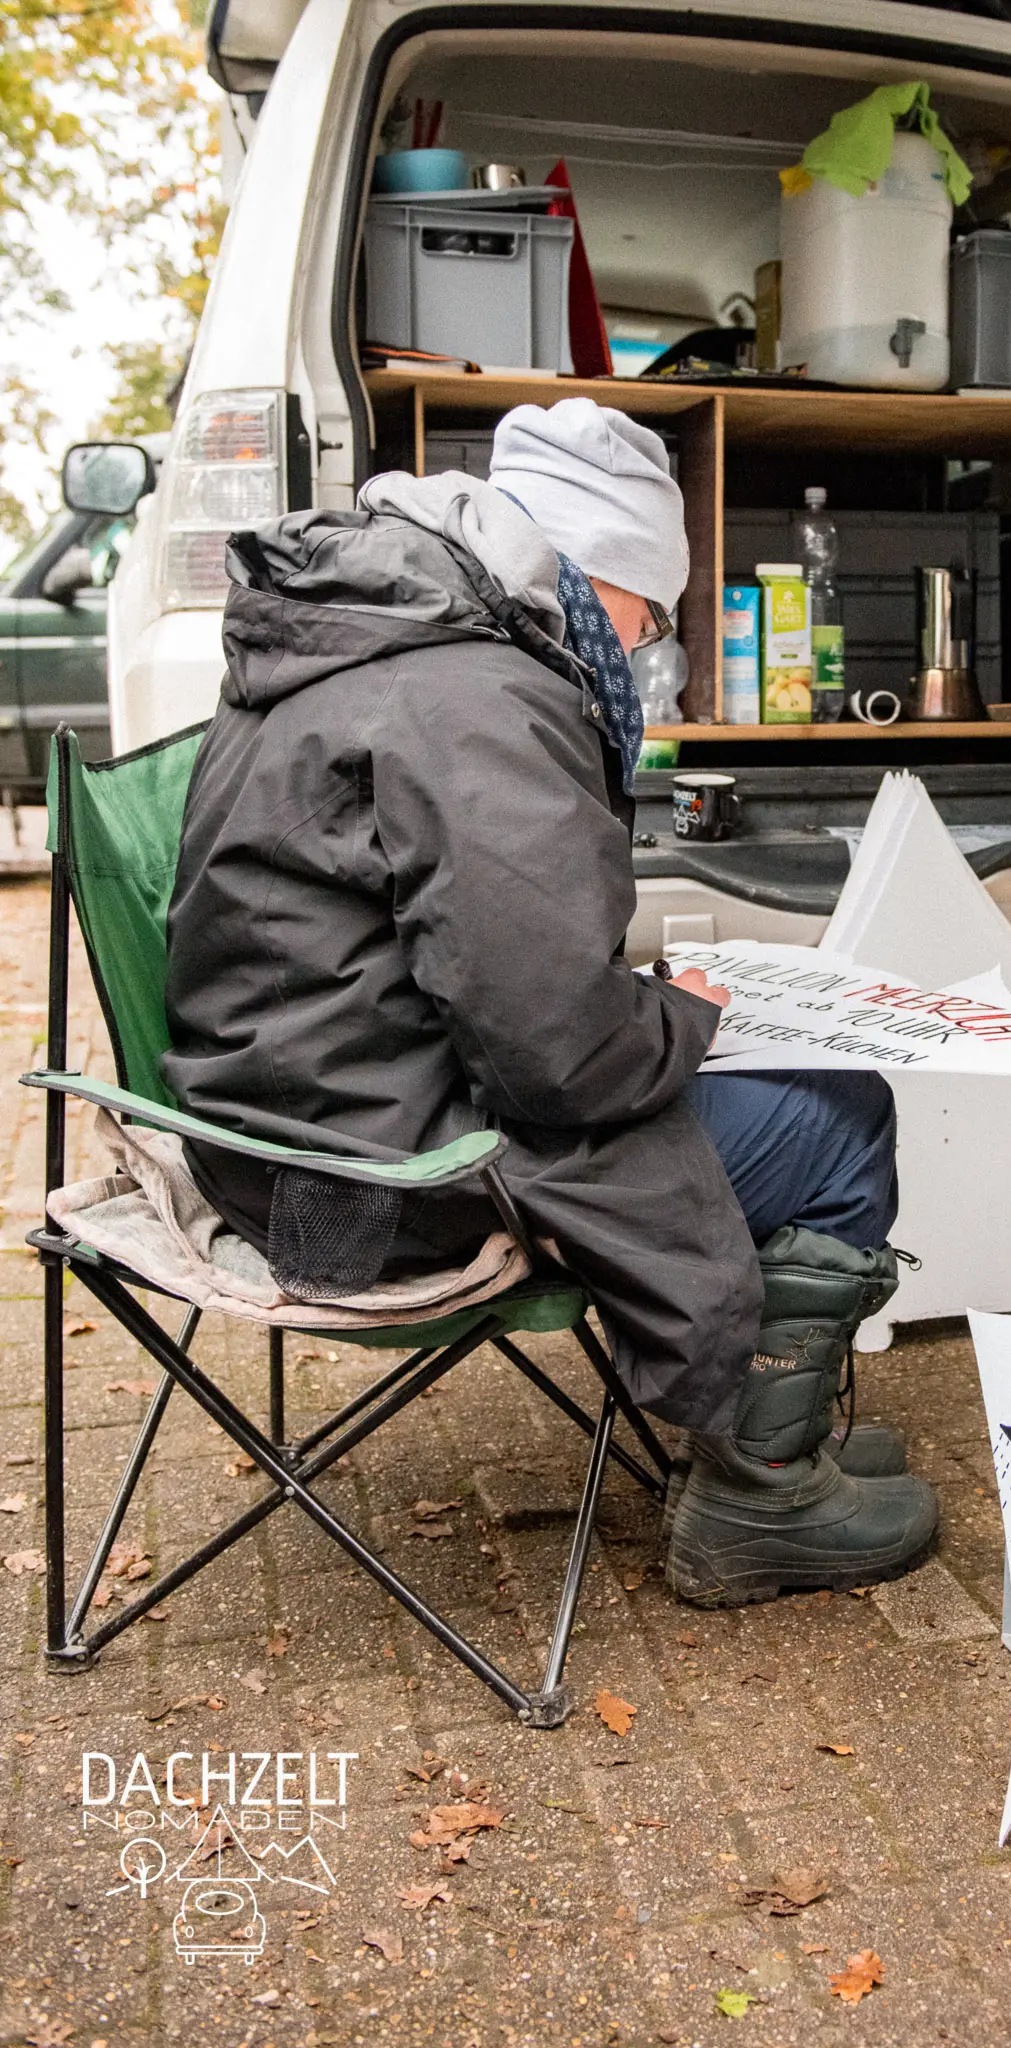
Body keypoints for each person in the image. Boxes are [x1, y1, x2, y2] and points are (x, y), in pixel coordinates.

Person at [161, 397, 937, 1608]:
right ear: (594, 573)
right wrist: (689, 1013)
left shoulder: (360, 636)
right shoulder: (486, 691)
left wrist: (643, 1007)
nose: (645, 646)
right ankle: (761, 1493)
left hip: (275, 1131)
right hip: (374, 1181)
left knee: (745, 1090)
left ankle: (764, 1433)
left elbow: (459, 957)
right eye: (645, 613)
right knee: (842, 1118)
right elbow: (559, 1058)